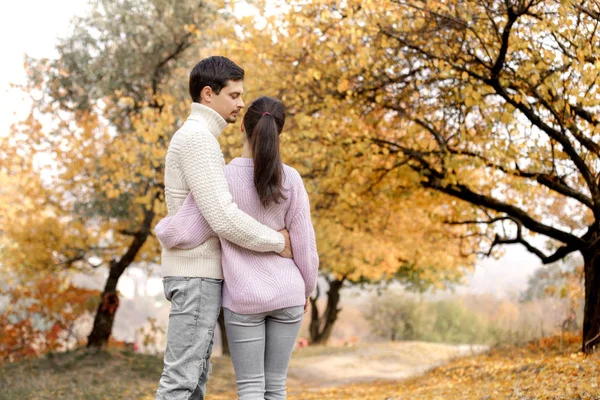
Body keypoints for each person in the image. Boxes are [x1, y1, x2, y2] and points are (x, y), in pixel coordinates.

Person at [156, 96, 319, 400]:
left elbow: (189, 228)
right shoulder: (292, 180)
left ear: (243, 126)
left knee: (251, 388)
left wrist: (165, 230)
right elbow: (305, 245)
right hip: (289, 295)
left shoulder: (225, 177)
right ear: (278, 133)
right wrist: (306, 288)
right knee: (276, 388)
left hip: (244, 299)